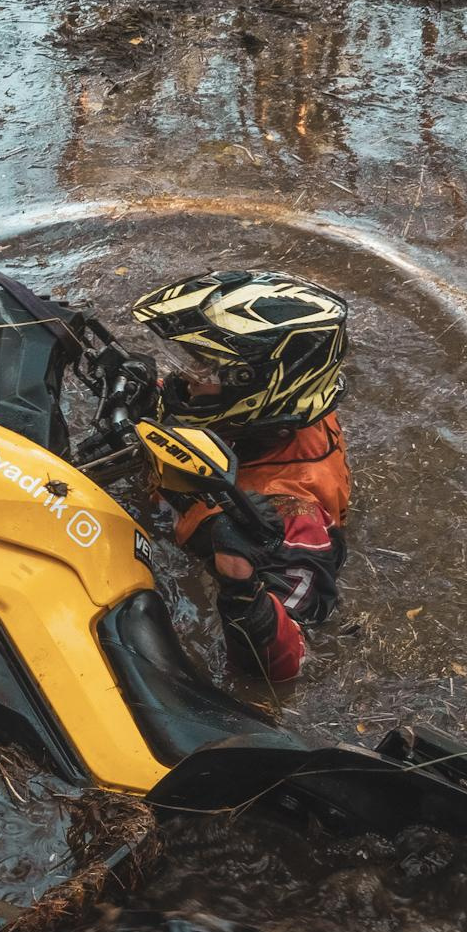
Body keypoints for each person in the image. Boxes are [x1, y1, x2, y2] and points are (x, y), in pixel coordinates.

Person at [130, 270, 352, 683]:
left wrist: (242, 585)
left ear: (254, 388)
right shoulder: (283, 409)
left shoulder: (295, 518)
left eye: (205, 368)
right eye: (192, 360)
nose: (187, 378)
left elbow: (288, 665)